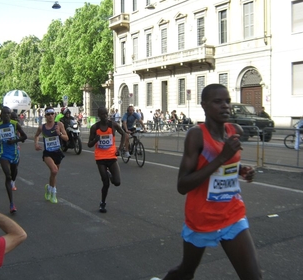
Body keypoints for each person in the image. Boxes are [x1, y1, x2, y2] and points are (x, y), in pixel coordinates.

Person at [150, 84, 261, 280]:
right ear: (204, 106)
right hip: (201, 219)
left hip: (232, 214)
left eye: (227, 101)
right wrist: (222, 158)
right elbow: (182, 185)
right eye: (218, 102)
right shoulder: (196, 135)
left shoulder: (235, 130)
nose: (225, 106)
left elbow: (230, 165)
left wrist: (242, 170)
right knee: (186, 272)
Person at [88, 107, 125, 213]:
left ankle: (109, 174)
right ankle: (102, 203)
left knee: (117, 182)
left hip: (112, 157)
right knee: (106, 183)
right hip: (100, 158)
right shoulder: (94, 127)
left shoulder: (113, 125)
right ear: (99, 115)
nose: (105, 116)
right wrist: (95, 139)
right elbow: (90, 145)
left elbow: (123, 134)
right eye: (102, 114)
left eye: (106, 114)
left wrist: (120, 148)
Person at [0, 107, 27, 214]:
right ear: (1, 115)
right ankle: (12, 204)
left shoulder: (15, 124)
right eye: (5, 113)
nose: (7, 115)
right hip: (3, 153)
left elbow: (24, 137)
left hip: (14, 153)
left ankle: (13, 181)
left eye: (8, 113)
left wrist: (14, 140)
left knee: (13, 173)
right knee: (7, 176)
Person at [34, 106, 68, 204]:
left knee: (54, 173)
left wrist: (59, 134)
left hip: (57, 152)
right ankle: (53, 193)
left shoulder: (59, 125)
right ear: (45, 116)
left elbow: (66, 138)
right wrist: (36, 144)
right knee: (54, 170)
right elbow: (36, 135)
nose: (50, 116)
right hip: (48, 153)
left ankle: (49, 188)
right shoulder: (42, 127)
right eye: (48, 114)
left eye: (52, 114)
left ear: (54, 115)